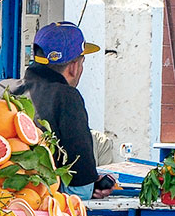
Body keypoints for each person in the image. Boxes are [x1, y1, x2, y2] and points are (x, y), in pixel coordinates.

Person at [8, 21, 113, 201]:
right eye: (82, 62)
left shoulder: (4, 89)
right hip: (42, 207)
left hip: (2, 199)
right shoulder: (67, 97)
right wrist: (92, 185)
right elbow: (80, 190)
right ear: (73, 67)